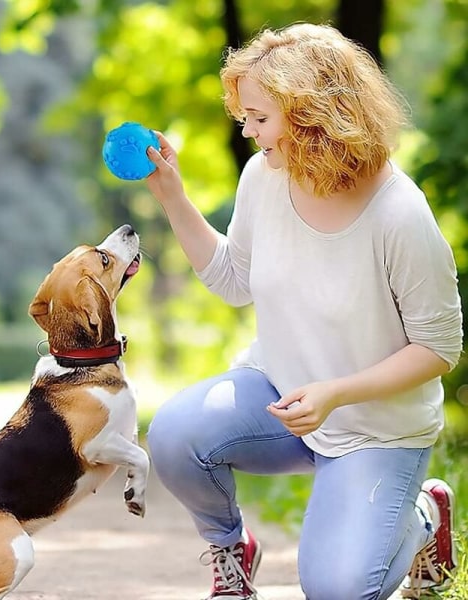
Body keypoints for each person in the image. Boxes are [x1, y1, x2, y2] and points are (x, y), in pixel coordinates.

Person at [143, 22, 463, 600]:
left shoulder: (400, 215)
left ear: (315, 114)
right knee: (173, 435)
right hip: (281, 396)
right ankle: (231, 548)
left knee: (339, 591)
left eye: (260, 118)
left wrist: (335, 393)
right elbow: (234, 280)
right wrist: (173, 196)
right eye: (244, 117)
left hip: (376, 430)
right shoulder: (264, 177)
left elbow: (439, 350)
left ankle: (423, 519)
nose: (247, 132)